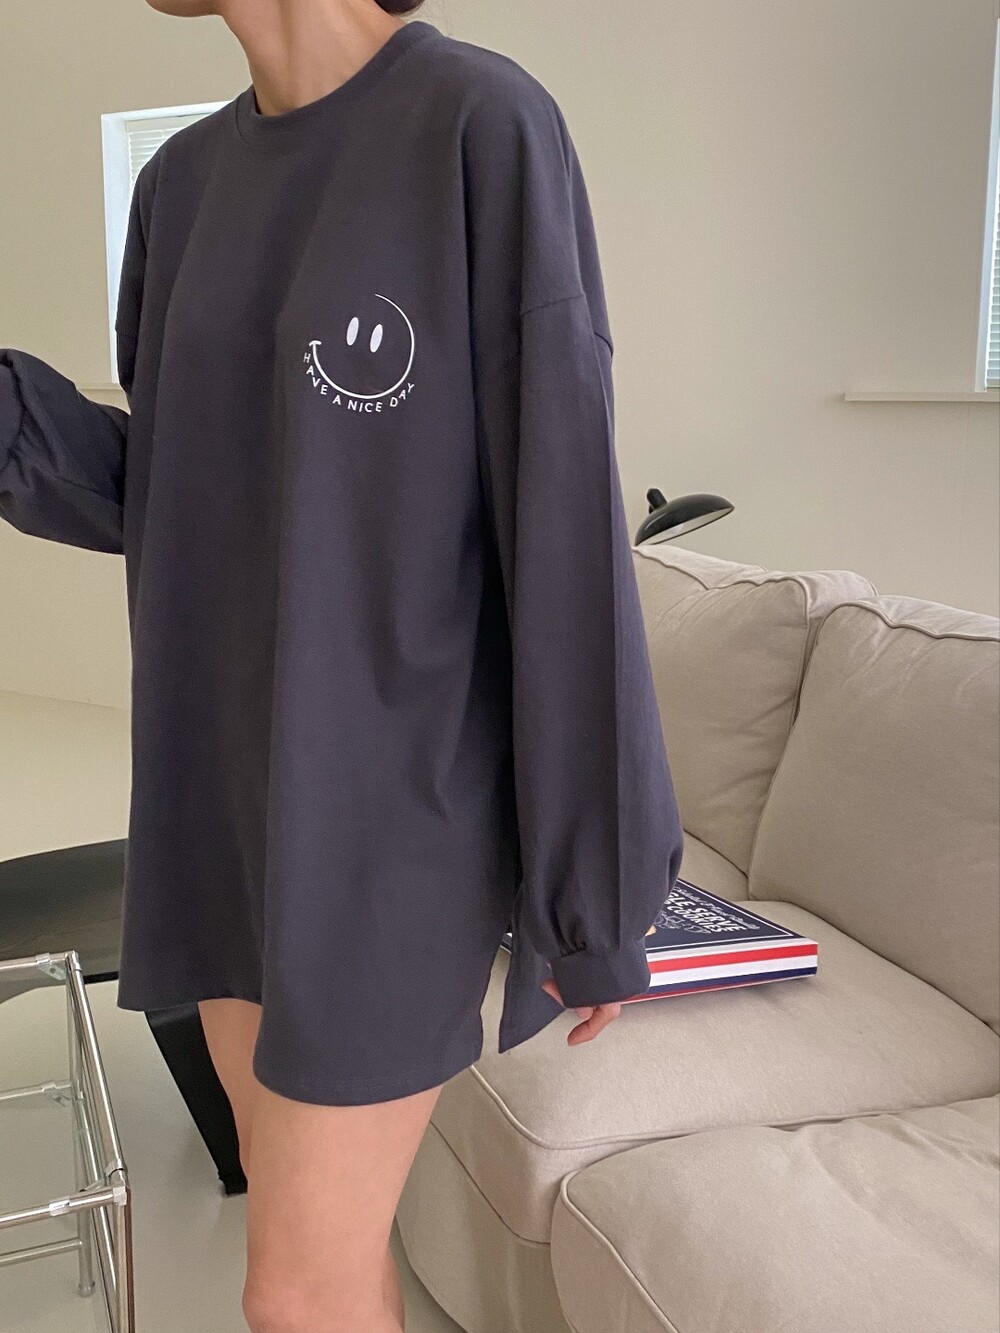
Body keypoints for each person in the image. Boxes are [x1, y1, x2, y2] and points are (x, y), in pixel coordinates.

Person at [0, 1, 685, 1328]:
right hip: (220, 805)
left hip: (392, 821)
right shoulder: (178, 186)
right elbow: (180, 488)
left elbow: (558, 513)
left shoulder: (479, 126)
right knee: (325, 1253)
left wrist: (591, 892)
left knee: (293, 1295)